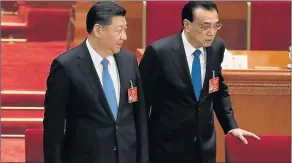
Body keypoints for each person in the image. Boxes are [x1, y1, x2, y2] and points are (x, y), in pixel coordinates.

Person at [139, 1, 260, 163]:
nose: (211, 33)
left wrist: (231, 126)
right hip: (167, 147)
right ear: (187, 25)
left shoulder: (217, 47)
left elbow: (217, 88)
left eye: (216, 26)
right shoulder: (159, 52)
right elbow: (142, 103)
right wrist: (141, 145)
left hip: (204, 146)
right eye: (205, 26)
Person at [43, 2, 148, 163]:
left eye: (125, 30)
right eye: (119, 30)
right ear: (98, 30)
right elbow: (53, 130)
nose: (124, 36)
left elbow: (139, 117)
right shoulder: (66, 66)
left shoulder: (129, 61)